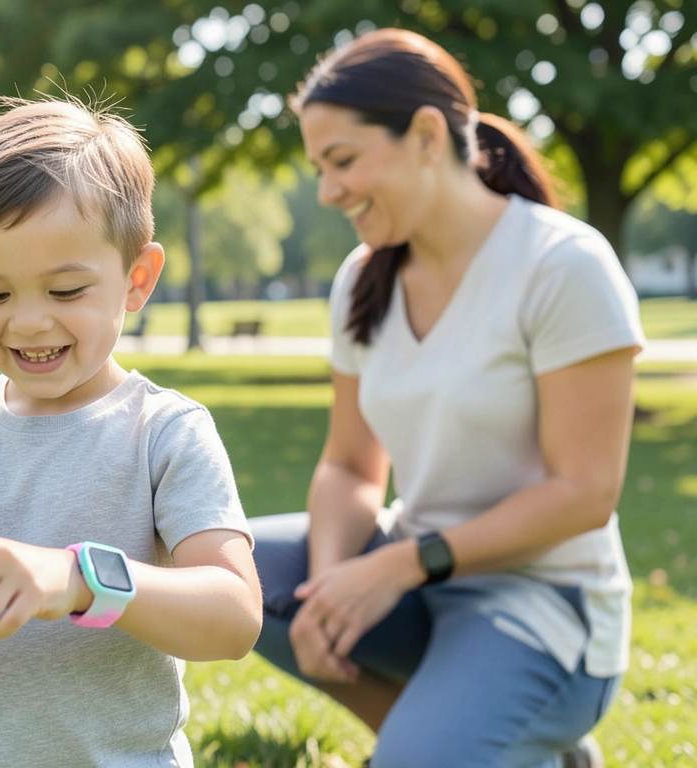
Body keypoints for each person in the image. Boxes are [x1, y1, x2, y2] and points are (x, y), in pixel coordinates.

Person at [247, 28, 643, 768]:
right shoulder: (363, 280)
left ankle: (505, 743)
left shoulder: (563, 266)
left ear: (427, 135)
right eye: (320, 168)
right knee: (229, 571)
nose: (329, 191)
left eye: (343, 161)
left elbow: (584, 493)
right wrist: (329, 585)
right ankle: (459, 740)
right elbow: (348, 466)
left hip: (544, 606)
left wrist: (397, 567)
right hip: (418, 583)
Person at [0, 97, 263, 768]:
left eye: (65, 291)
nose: (29, 322)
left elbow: (235, 614)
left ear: (137, 280)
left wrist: (80, 579)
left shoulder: (165, 432)